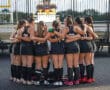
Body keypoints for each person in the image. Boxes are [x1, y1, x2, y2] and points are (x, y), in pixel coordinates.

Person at [63, 16, 85, 86]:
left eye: (64, 21)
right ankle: (77, 80)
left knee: (70, 65)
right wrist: (76, 37)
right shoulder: (76, 27)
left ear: (67, 22)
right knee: (76, 64)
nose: (64, 22)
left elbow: (62, 37)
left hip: (69, 47)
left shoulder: (66, 28)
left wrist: (69, 38)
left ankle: (70, 81)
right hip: (76, 47)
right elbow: (82, 34)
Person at [76, 17, 97, 83]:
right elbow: (92, 37)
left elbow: (93, 36)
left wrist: (83, 38)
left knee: (80, 62)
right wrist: (86, 37)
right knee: (89, 62)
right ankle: (90, 78)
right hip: (89, 45)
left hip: (82, 45)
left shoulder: (76, 27)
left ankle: (82, 78)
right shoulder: (88, 27)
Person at [30, 21, 50, 85]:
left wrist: (37, 39)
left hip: (38, 49)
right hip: (43, 49)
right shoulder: (44, 32)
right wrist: (41, 39)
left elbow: (34, 38)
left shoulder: (36, 33)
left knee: (39, 66)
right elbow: (43, 39)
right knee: (44, 65)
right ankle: (45, 80)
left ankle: (38, 80)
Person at [17, 18, 34, 85]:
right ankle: (28, 80)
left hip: (23, 47)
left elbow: (19, 37)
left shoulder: (22, 28)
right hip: (28, 47)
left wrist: (22, 38)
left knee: (24, 64)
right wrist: (25, 38)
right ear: (31, 22)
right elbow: (30, 39)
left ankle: (24, 79)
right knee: (28, 64)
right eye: (33, 22)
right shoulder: (31, 28)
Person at [48, 20, 64, 86]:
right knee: (59, 65)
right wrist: (58, 39)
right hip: (58, 48)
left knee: (57, 65)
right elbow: (50, 39)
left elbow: (62, 37)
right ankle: (59, 80)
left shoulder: (53, 30)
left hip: (56, 49)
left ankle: (57, 80)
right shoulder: (52, 30)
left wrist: (55, 33)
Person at [84, 16, 98, 83]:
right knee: (91, 61)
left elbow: (91, 37)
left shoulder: (87, 27)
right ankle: (91, 77)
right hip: (92, 44)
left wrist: (84, 38)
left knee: (88, 62)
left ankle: (89, 78)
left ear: (86, 21)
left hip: (90, 44)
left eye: (84, 20)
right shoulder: (91, 26)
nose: (83, 22)